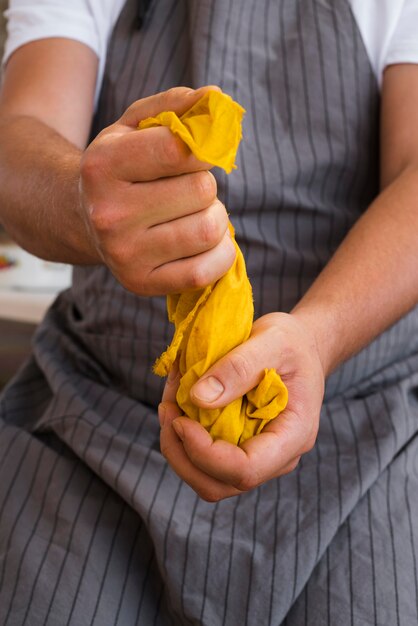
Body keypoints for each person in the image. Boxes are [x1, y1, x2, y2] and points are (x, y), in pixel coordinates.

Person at [0, 0, 418, 624]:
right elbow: (21, 131)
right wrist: (79, 199)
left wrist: (319, 336)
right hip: (97, 408)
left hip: (363, 414)